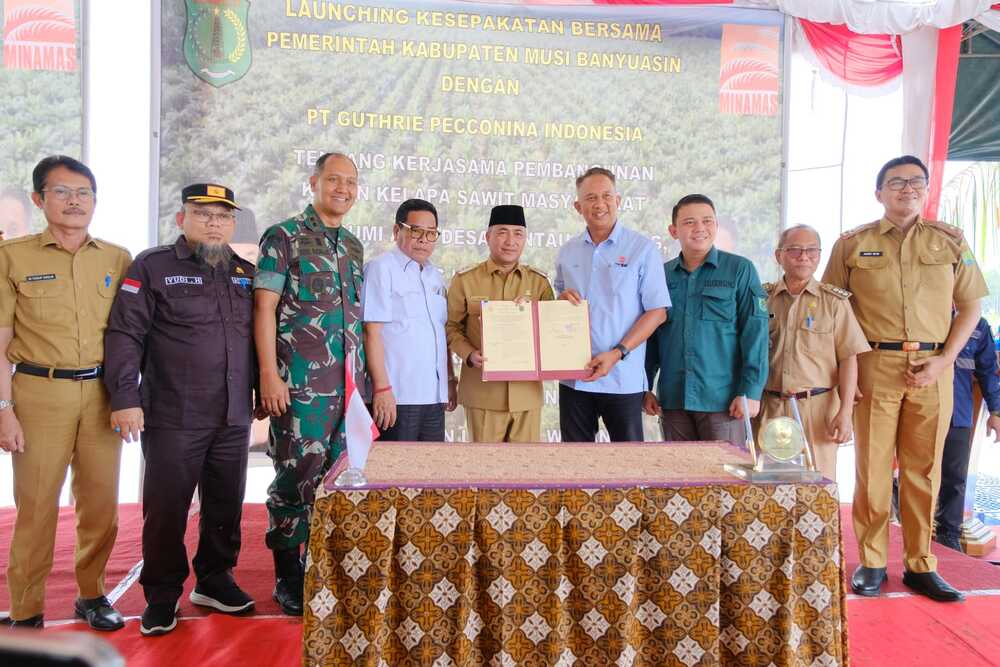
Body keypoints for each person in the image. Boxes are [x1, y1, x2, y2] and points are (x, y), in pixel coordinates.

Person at [823, 155, 988, 602]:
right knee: (873, 469)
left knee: (924, 470)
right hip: (875, 364)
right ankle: (873, 561)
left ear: (926, 190)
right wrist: (847, 376)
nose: (907, 189)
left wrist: (946, 360)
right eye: (896, 182)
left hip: (935, 367)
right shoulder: (851, 245)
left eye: (916, 182)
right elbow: (835, 312)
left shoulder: (951, 242)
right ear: (879, 192)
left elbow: (971, 306)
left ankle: (920, 563)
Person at [103, 183, 257, 636]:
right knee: (167, 508)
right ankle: (163, 593)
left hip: (232, 413)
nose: (214, 223)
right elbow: (124, 334)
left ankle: (214, 579)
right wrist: (125, 398)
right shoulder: (153, 266)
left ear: (232, 223)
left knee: (226, 503)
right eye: (203, 214)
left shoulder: (244, 272)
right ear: (181, 219)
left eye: (223, 216)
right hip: (174, 413)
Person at [0, 156, 131, 630]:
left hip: (101, 394)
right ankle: (27, 609)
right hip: (38, 393)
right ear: (39, 199)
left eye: (84, 193)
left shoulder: (117, 258)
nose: (75, 202)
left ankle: (92, 594)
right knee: (36, 507)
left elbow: (129, 336)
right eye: (62, 192)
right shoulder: (12, 256)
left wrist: (127, 397)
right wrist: (3, 410)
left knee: (101, 505)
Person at [253, 152, 366, 616]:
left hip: (345, 390)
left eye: (351, 182)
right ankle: (287, 575)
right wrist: (268, 375)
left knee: (335, 477)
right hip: (298, 386)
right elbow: (264, 309)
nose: (343, 189)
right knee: (294, 477)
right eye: (334, 180)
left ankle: (320, 566)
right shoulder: (283, 237)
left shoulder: (354, 246)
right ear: (314, 182)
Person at [644, 194, 769, 447]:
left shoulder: (740, 269)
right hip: (674, 399)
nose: (699, 228)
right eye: (689, 222)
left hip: (723, 401)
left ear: (716, 226)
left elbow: (755, 334)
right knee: (679, 480)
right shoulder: (661, 274)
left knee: (724, 481)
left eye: (707, 221)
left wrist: (750, 392)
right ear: (673, 230)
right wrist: (645, 385)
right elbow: (650, 338)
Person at [555, 168, 669, 443]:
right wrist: (559, 303)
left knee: (627, 467)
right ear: (577, 206)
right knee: (574, 464)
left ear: (618, 200)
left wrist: (618, 353)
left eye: (606, 196)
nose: (599, 204)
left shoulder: (642, 249)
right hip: (574, 377)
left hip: (623, 378)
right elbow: (559, 303)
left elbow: (657, 312)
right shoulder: (567, 251)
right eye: (591, 197)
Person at [757, 224, 870, 480]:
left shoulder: (834, 303)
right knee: (769, 490)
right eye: (794, 250)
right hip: (771, 407)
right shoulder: (762, 300)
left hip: (818, 411)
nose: (803, 256)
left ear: (819, 255)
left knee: (817, 490)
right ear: (779, 256)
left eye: (811, 250)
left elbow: (848, 359)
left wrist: (845, 413)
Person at [446, 204, 554, 442]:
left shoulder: (540, 283)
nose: (510, 240)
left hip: (526, 394)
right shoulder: (465, 280)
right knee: (484, 471)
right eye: (502, 232)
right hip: (483, 394)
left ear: (525, 238)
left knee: (525, 472)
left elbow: (551, 333)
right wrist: (470, 354)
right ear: (488, 237)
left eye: (518, 233)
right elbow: (451, 327)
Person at [363, 199, 456, 440]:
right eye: (416, 231)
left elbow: (439, 332)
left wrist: (449, 379)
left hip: (434, 397)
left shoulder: (435, 276)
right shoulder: (381, 268)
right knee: (394, 474)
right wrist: (382, 389)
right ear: (397, 231)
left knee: (430, 473)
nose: (424, 239)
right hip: (398, 397)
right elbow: (371, 332)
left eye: (431, 233)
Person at [934, 317, 1000, 551]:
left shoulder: (977, 325)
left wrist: (996, 411)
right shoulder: (923, 313)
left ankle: (948, 535)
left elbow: (988, 370)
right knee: (915, 473)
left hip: (958, 411)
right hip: (922, 410)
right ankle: (909, 526)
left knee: (955, 477)